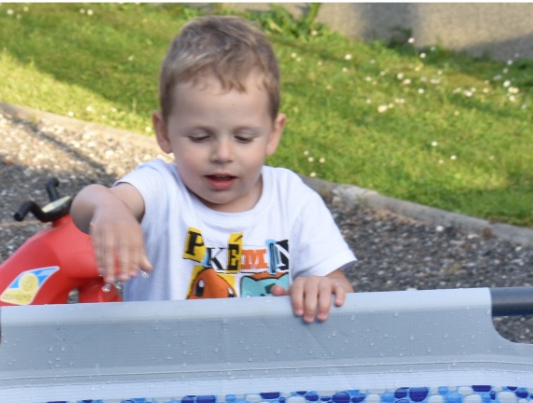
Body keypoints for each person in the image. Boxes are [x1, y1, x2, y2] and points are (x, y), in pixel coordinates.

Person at [71, 15, 355, 323]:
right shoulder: (161, 188)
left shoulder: (292, 199)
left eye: (243, 138)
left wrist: (322, 287)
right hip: (163, 352)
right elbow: (86, 203)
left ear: (273, 134)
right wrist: (111, 209)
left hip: (263, 354)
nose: (222, 154)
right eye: (200, 137)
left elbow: (342, 291)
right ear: (164, 132)